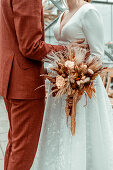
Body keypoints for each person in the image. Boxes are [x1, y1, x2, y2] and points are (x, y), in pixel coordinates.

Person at [0, 0, 88, 170]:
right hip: (24, 83)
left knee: (15, 146)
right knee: (23, 152)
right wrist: (66, 50)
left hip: (11, 77)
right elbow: (31, 47)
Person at [33, 0, 113, 170]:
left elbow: (97, 54)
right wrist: (62, 75)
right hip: (60, 85)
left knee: (80, 131)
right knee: (59, 130)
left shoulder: (88, 11)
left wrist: (78, 76)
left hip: (83, 86)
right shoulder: (63, 13)